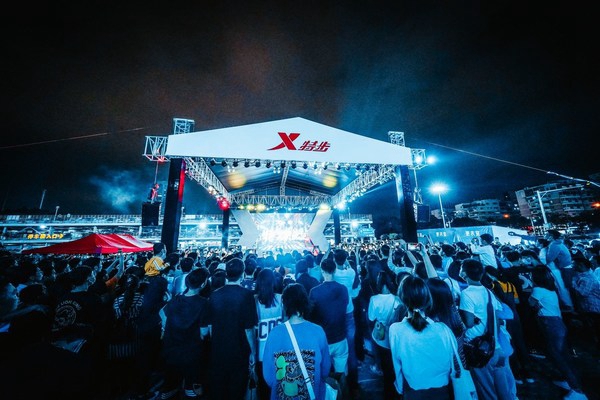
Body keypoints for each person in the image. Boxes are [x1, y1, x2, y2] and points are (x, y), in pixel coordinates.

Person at [389, 275, 455, 399]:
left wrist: (399, 388)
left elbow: (397, 364)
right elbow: (452, 361)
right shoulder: (443, 329)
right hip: (443, 389)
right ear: (428, 299)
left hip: (414, 390)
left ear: (402, 300)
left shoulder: (396, 330)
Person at [459, 258, 516, 400]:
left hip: (480, 349)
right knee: (503, 390)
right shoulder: (488, 292)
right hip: (495, 346)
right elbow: (496, 318)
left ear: (464, 273)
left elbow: (469, 323)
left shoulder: (467, 293)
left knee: (488, 391)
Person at [262, 283, 331, 400]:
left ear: (284, 305)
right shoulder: (318, 331)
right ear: (305, 303)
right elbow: (325, 370)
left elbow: (268, 376)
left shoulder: (274, 334)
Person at [529, 266, 588, 400]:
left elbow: (531, 304)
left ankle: (577, 390)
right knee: (564, 355)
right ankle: (570, 382)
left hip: (550, 324)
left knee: (558, 356)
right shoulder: (551, 289)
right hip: (558, 322)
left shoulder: (537, 290)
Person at [206, 257, 258, 400]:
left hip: (218, 348)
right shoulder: (247, 295)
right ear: (242, 273)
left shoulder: (214, 295)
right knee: (236, 388)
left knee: (219, 387)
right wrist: (253, 352)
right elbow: (249, 328)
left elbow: (210, 326)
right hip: (239, 349)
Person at [158, 267, 210, 400]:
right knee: (191, 389)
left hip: (172, 349)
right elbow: (204, 331)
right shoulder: (203, 303)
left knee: (170, 387)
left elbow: (162, 313)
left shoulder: (176, 299)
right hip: (191, 352)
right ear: (203, 283)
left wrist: (167, 327)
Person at [308, 257, 350, 387]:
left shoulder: (314, 292)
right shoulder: (343, 289)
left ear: (322, 271)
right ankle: (343, 393)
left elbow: (311, 316)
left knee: (323, 375)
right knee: (342, 374)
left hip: (323, 339)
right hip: (340, 336)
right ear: (335, 270)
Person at [368, 270, 404, 399]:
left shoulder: (374, 299)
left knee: (385, 366)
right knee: (395, 366)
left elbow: (371, 317)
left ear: (379, 283)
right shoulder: (398, 299)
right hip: (394, 337)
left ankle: (387, 391)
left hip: (381, 337)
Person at [254, 268, 284, 400]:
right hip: (278, 350)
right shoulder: (280, 299)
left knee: (262, 387)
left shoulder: (254, 301)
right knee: (279, 386)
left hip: (260, 352)